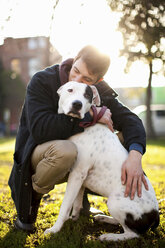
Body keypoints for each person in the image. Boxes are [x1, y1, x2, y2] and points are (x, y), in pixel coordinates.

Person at [8, 45, 148, 232]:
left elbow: (132, 120)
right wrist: (92, 116)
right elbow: (41, 129)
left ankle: (81, 204)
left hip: (73, 157)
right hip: (37, 152)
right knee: (67, 151)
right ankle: (32, 196)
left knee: (117, 138)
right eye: (75, 71)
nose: (76, 79)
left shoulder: (98, 92)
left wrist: (135, 155)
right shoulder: (43, 80)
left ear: (98, 81)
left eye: (86, 80)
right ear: (74, 61)